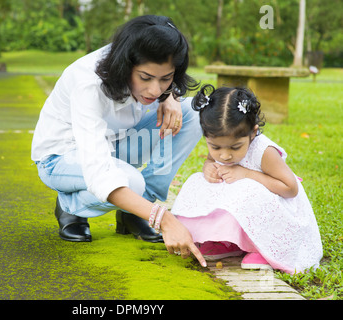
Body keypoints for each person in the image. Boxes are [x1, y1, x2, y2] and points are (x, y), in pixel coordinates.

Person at [31, 15, 207, 267]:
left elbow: (164, 84)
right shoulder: (88, 84)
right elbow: (99, 171)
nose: (155, 90)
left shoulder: (155, 76)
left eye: (165, 78)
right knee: (130, 182)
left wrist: (172, 95)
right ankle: (70, 204)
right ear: (126, 65)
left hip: (115, 143)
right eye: (145, 78)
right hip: (61, 157)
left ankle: (135, 211)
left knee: (194, 111)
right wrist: (165, 220)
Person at [171, 84, 323, 274]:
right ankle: (226, 241)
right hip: (246, 204)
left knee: (248, 189)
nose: (225, 155)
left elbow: (290, 188)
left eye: (235, 147)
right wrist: (208, 167)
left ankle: (261, 249)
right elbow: (213, 161)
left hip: (278, 211)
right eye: (216, 147)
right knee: (198, 181)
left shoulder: (264, 151)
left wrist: (246, 174)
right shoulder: (221, 145)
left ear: (252, 132)